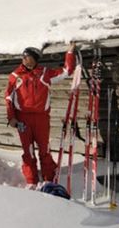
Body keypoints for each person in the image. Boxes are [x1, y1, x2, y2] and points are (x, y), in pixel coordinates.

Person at [5, 43, 76, 189]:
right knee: (28, 151)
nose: (25, 60)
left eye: (28, 57)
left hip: (42, 118)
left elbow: (67, 71)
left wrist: (70, 53)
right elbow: (8, 98)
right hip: (22, 119)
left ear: (35, 59)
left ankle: (48, 178)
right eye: (23, 57)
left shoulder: (45, 73)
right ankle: (31, 180)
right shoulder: (15, 75)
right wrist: (11, 117)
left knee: (44, 149)